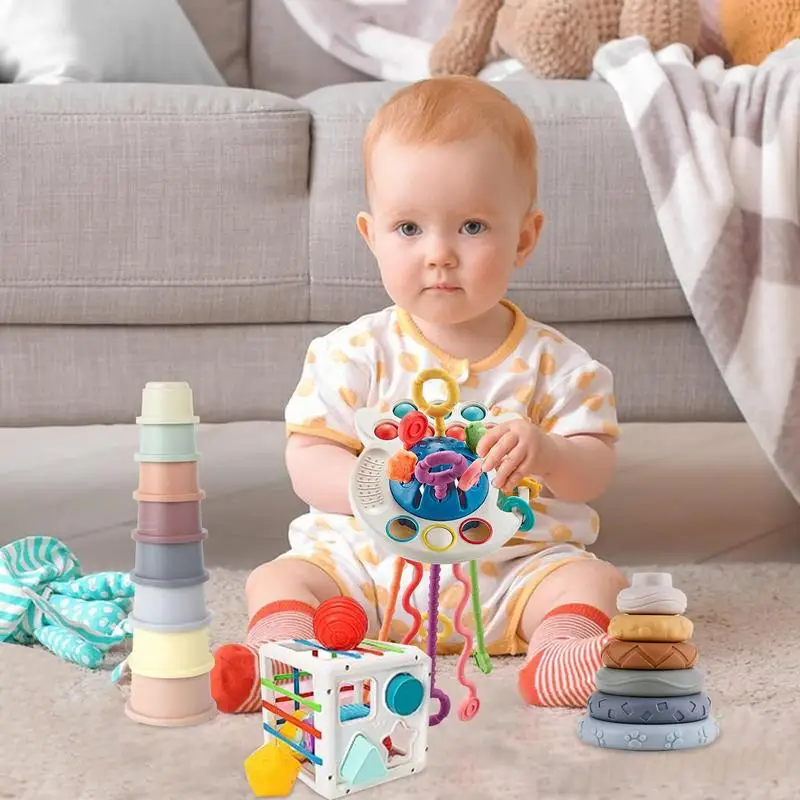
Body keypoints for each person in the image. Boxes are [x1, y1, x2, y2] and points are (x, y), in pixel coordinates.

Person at [210, 75, 629, 715]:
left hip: (510, 571)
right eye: (408, 227)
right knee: (280, 577)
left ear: (523, 237)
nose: (439, 254)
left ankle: (561, 657)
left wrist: (546, 452)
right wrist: (371, 483)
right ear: (371, 235)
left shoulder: (560, 366)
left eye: (472, 226)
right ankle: (282, 659)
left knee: (593, 581)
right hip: (367, 570)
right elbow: (308, 459)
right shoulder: (351, 353)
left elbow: (592, 473)